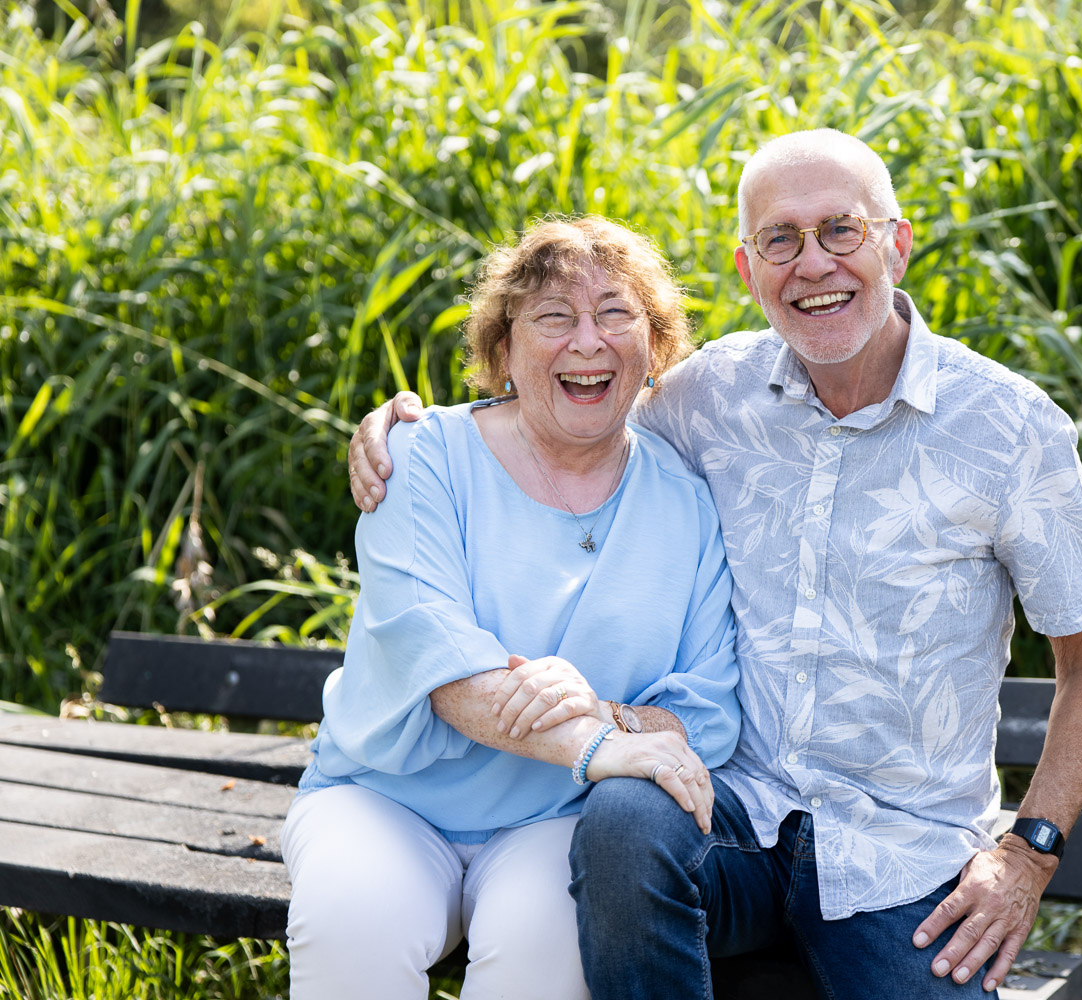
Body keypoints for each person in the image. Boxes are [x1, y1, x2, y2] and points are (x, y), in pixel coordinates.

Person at [348, 129, 1082, 997]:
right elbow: (570, 401)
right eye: (780, 241)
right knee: (621, 822)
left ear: (896, 244)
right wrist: (420, 430)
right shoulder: (705, 397)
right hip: (728, 817)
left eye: (842, 230)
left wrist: (1028, 853)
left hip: (900, 860)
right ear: (748, 265)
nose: (814, 264)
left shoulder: (1009, 430)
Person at [286, 217, 741, 1000]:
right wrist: (602, 745)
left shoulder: (688, 504)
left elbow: (707, 716)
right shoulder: (420, 458)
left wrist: (603, 712)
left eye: (616, 314)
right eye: (553, 318)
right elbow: (444, 667)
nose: (587, 342)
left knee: (548, 953)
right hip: (387, 798)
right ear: (502, 352)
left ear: (657, 347)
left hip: (555, 819)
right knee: (350, 926)